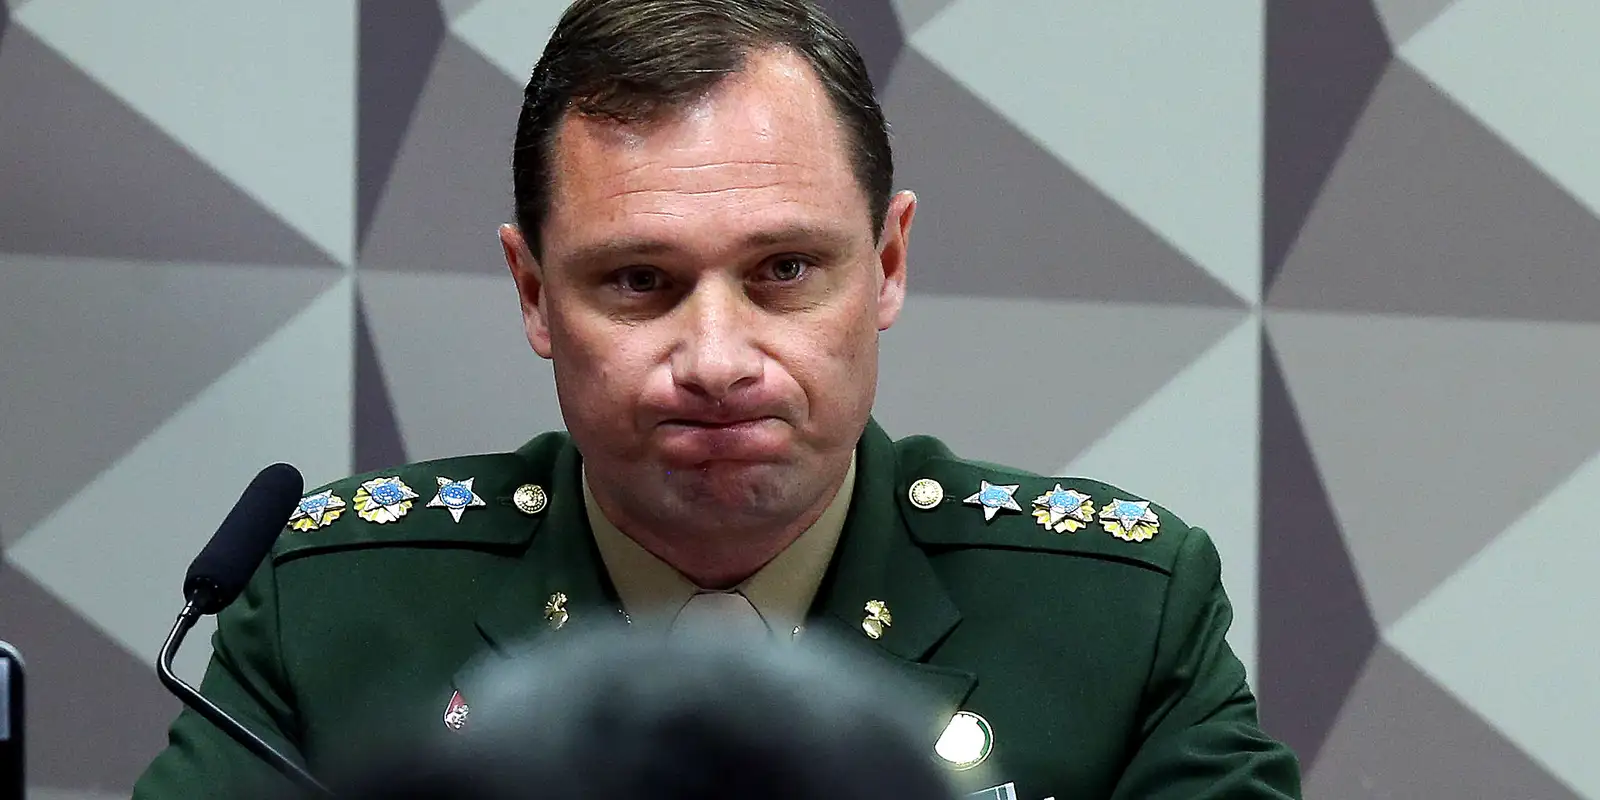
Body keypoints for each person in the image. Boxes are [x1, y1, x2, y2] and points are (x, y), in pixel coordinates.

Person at [134, 0, 1302, 797]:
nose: (715, 356)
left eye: (782, 269)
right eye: (639, 281)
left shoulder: (1117, 613)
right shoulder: (329, 610)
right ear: (534, 293)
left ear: (887, 263)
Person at [323, 629, 963, 800]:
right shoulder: (314, 583)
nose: (715, 368)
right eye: (640, 285)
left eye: (784, 284)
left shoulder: (1032, 578)